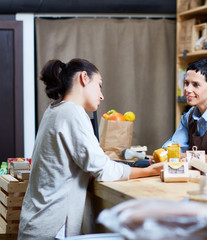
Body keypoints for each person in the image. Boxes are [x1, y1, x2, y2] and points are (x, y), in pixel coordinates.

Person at [18, 58, 163, 240]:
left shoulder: (55, 110)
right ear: (84, 78)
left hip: (36, 225)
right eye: (99, 85)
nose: (101, 95)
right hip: (52, 229)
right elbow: (104, 170)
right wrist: (150, 171)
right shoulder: (72, 112)